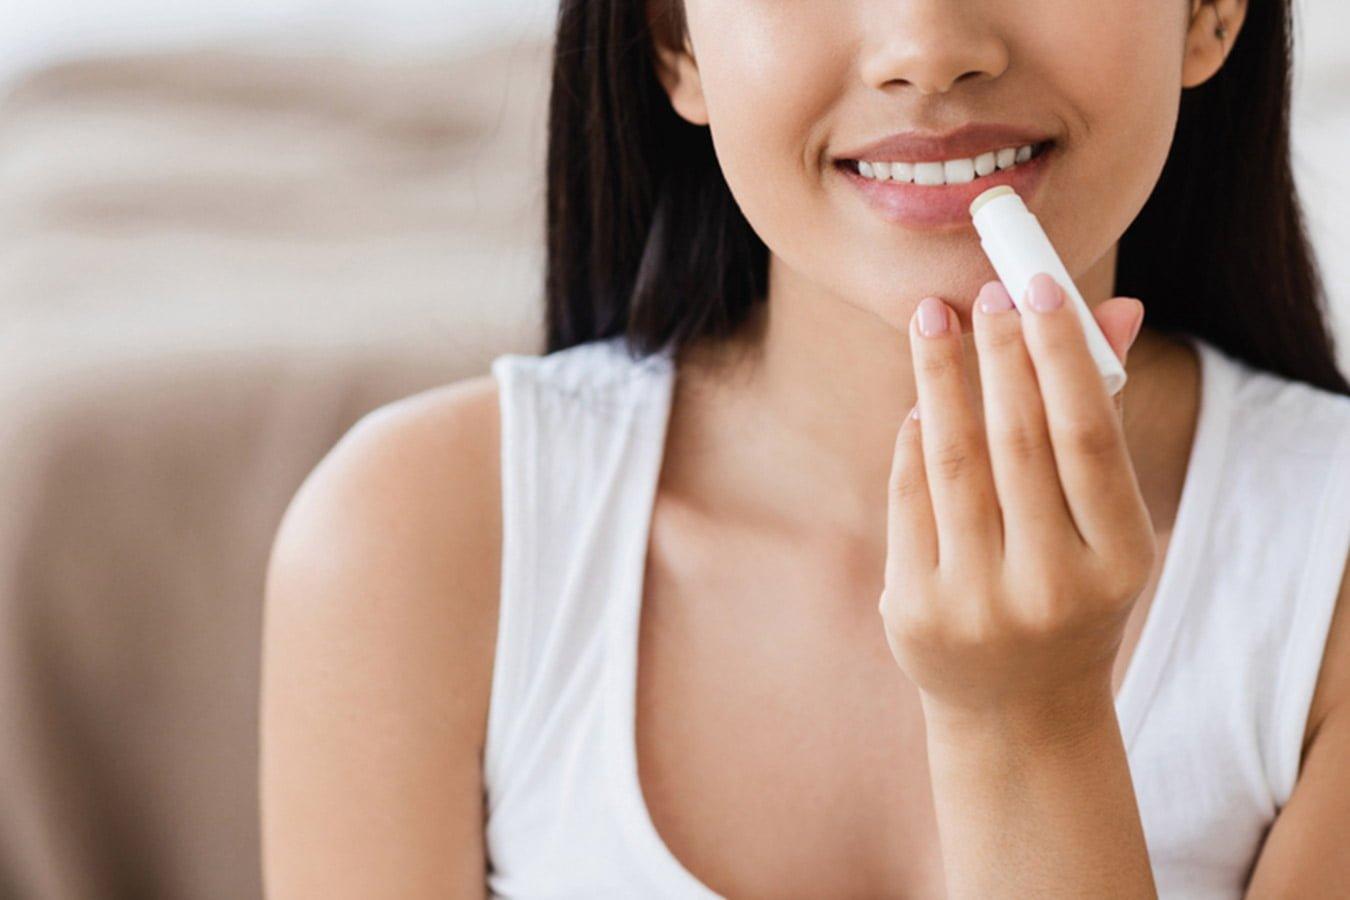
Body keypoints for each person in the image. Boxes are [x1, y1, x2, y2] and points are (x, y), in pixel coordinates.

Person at [259, 0, 1350, 896]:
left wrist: (1031, 726)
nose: (930, 48)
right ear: (674, 40)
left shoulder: (1330, 574)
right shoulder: (414, 538)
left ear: (1211, 12)